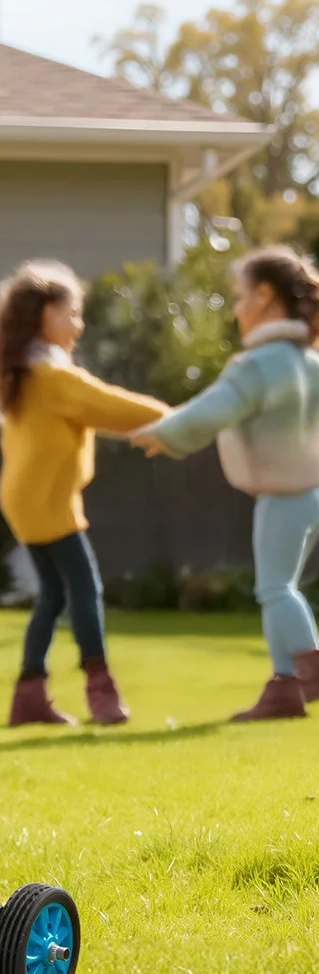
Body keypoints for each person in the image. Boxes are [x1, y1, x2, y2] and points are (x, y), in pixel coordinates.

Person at [131, 247, 319, 721]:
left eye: (239, 297)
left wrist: (165, 432)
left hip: (284, 493)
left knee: (276, 588)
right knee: (276, 586)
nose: (235, 308)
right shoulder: (309, 362)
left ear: (264, 296)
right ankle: (283, 688)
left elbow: (216, 407)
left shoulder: (260, 365)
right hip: (310, 492)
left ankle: (308, 668)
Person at [0, 260, 169, 727]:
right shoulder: (50, 376)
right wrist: (178, 419)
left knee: (54, 595)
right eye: (71, 313)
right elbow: (105, 404)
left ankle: (29, 694)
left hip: (29, 497)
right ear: (43, 314)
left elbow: (95, 412)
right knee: (85, 588)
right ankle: (100, 687)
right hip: (47, 500)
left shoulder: (28, 370)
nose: (78, 325)